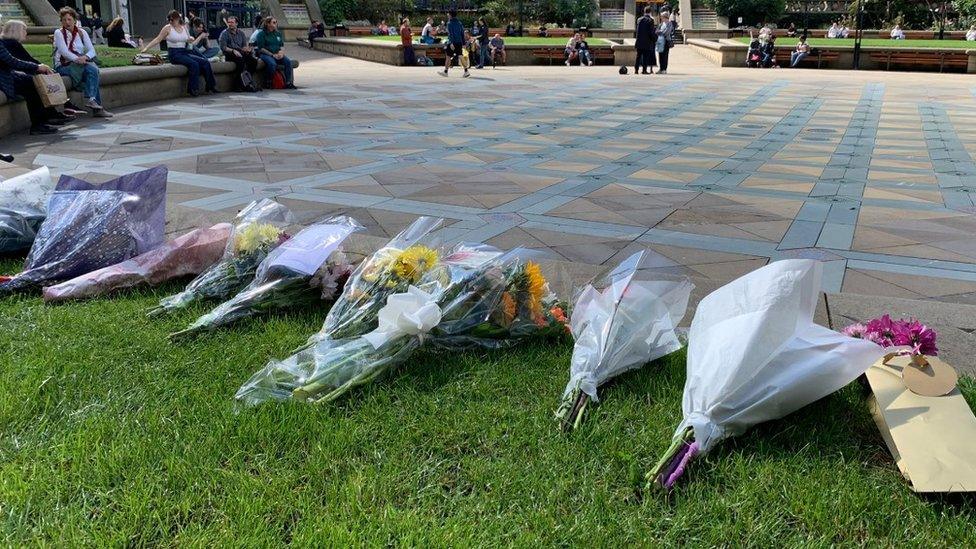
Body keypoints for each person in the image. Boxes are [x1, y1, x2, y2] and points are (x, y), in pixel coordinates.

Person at [1, 20, 74, 131]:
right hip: (3, 78)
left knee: (31, 82)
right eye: (24, 30)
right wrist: (38, 67)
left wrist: (38, 67)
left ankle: (42, 121)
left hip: (7, 74)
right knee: (32, 83)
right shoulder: (9, 43)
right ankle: (40, 123)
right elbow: (12, 61)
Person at [141, 10, 218, 97]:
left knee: (205, 62)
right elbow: (158, 39)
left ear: (178, 19)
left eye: (172, 20)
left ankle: (211, 86)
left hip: (184, 51)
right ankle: (193, 89)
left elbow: (188, 39)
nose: (171, 21)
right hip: (174, 54)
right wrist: (146, 48)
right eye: (169, 20)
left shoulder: (184, 27)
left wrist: (191, 39)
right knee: (194, 64)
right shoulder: (167, 28)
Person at [53, 7, 112, 117]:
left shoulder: (82, 32)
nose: (67, 22)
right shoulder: (58, 33)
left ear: (75, 20)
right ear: (61, 21)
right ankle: (95, 105)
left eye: (69, 19)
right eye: (64, 20)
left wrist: (85, 57)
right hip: (63, 65)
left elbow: (92, 50)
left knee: (93, 71)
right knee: (93, 71)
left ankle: (93, 102)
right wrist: (77, 59)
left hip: (80, 63)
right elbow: (63, 51)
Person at [252, 17, 295, 89]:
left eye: (276, 22)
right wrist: (272, 55)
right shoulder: (261, 34)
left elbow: (281, 45)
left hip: (277, 53)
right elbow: (261, 48)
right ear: (268, 24)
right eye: (274, 22)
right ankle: (268, 81)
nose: (276, 24)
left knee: (288, 62)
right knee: (272, 64)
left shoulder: (278, 34)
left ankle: (288, 82)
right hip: (265, 54)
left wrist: (281, 53)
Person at [219, 16, 258, 89]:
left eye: (232, 22)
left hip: (240, 52)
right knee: (241, 62)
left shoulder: (241, 33)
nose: (230, 24)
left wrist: (247, 49)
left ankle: (247, 79)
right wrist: (233, 51)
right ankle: (237, 84)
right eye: (229, 22)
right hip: (230, 53)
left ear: (236, 23)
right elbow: (223, 47)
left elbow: (243, 46)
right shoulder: (224, 33)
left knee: (253, 61)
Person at [439, 10, 467, 77]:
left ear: (450, 15)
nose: (447, 15)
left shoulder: (449, 23)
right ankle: (466, 71)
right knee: (460, 55)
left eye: (448, 14)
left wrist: (451, 43)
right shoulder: (459, 23)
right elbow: (462, 33)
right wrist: (464, 43)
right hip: (459, 42)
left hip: (452, 42)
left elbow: (450, 34)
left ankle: (445, 72)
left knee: (448, 56)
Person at [634, 6, 656, 74]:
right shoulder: (651, 20)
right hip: (647, 42)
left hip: (639, 41)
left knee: (638, 56)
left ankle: (636, 70)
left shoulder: (639, 19)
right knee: (645, 57)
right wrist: (655, 39)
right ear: (650, 12)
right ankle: (644, 70)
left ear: (644, 11)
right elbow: (651, 32)